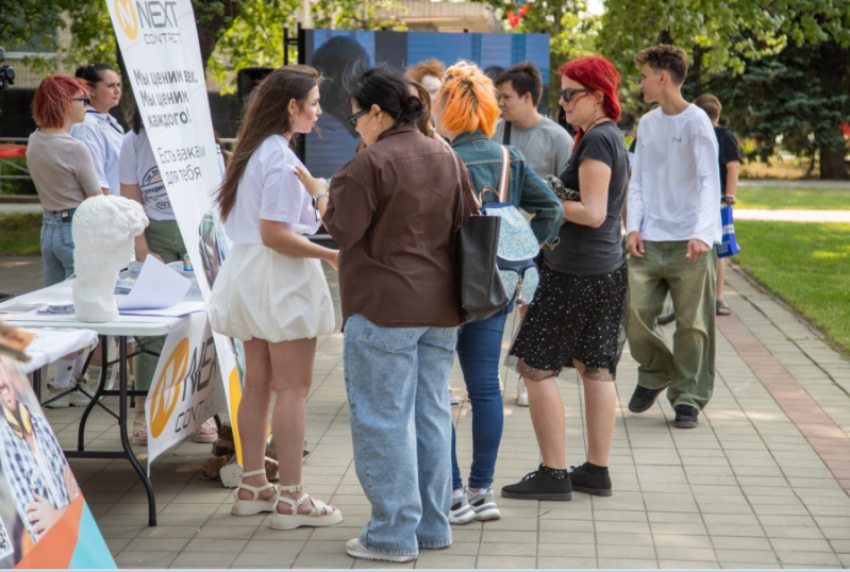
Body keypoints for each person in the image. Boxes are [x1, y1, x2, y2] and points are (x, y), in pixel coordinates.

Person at [320, 67, 471, 563]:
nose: (355, 124)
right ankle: (431, 526)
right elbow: (466, 222)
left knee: (383, 421)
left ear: (378, 113)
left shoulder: (371, 163)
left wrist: (322, 194)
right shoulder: (446, 156)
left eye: (357, 115)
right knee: (429, 415)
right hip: (441, 308)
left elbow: (342, 229)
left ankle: (390, 535)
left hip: (384, 307)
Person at [208, 65, 342, 531]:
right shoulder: (280, 159)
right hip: (279, 278)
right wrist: (334, 259)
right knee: (292, 389)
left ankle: (253, 485)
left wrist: (319, 198)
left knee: (260, 383)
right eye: (315, 101)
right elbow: (276, 236)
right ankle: (291, 497)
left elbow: (265, 231)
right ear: (292, 106)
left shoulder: (255, 152)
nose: (319, 110)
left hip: (247, 274)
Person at [431, 62, 563, 521]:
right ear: (488, 110)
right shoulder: (510, 157)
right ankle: (481, 491)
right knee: (485, 387)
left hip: (446, 285)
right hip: (497, 284)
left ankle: (450, 495)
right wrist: (527, 244)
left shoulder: (442, 158)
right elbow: (551, 209)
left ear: (449, 110)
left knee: (436, 388)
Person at [501, 55, 630, 500]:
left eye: (571, 93)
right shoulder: (605, 137)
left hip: (576, 271)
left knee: (534, 367)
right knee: (595, 367)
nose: (563, 102)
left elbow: (593, 213)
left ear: (597, 96)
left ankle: (554, 474)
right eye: (561, 93)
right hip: (603, 270)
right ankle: (596, 470)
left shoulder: (597, 141)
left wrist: (537, 204)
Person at [625, 45, 721, 429]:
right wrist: (633, 226)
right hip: (648, 239)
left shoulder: (698, 122)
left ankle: (688, 398)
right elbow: (639, 181)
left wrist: (701, 234)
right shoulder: (647, 124)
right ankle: (655, 372)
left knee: (693, 324)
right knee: (633, 314)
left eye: (644, 76)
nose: (640, 83)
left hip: (690, 244)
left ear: (662, 77)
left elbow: (707, 182)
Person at [120, 104, 218, 446]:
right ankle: (144, 408)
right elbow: (131, 201)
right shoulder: (133, 142)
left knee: (202, 322)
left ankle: (200, 409)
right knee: (152, 323)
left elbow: (217, 195)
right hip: (156, 235)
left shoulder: (202, 139)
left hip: (198, 236)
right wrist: (142, 248)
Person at [492, 61, 575, 406]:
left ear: (528, 98)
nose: (500, 103)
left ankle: (531, 377)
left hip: (537, 243)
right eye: (498, 97)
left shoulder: (558, 138)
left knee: (532, 313)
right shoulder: (496, 131)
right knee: (492, 309)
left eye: (506, 97)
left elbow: (567, 198)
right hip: (496, 241)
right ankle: (488, 374)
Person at [26, 75, 103, 407]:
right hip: (76, 228)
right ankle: (62, 383)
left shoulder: (34, 140)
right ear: (64, 104)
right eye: (82, 100)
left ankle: (56, 381)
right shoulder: (74, 146)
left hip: (49, 227)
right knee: (85, 308)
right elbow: (95, 198)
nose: (86, 106)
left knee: (58, 308)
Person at [0, 357, 80, 543]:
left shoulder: (38, 422)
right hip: (53, 547)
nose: (7, 394)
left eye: (6, 386)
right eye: (1, 389)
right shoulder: (6, 440)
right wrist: (68, 512)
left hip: (73, 539)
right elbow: (35, 523)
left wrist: (59, 513)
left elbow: (77, 503)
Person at [693, 94, 741, 317]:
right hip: (694, 199)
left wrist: (729, 195)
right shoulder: (695, 134)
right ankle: (699, 297)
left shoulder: (724, 135)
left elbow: (733, 167)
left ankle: (717, 297)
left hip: (718, 200)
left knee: (718, 250)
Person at [70, 64, 124, 196]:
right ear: (90, 90)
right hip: (105, 210)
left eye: (118, 85)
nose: (117, 90)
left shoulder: (110, 121)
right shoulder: (86, 125)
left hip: (120, 209)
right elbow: (96, 183)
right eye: (111, 86)